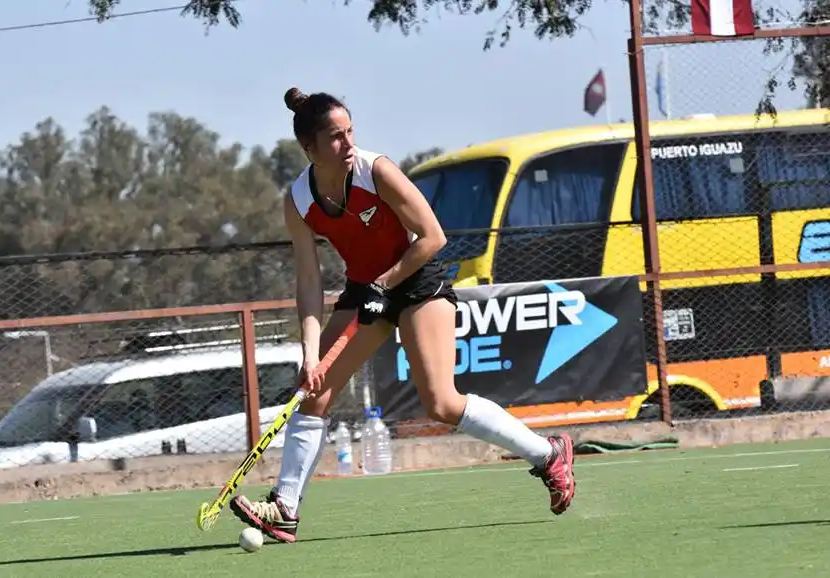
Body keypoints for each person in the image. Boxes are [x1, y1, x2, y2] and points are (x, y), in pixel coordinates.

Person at [229, 87, 576, 543]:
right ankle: (285, 507)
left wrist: (385, 284)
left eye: (350, 131)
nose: (348, 143)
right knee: (312, 391)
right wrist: (310, 355)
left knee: (441, 403)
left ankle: (548, 454)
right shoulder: (298, 201)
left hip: (415, 282)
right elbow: (309, 284)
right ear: (308, 148)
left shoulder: (377, 171)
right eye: (336, 137)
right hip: (364, 291)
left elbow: (432, 236)